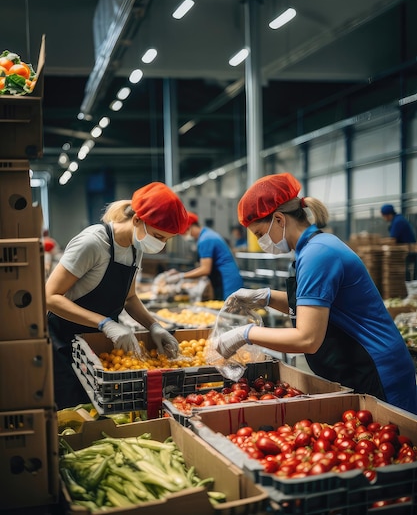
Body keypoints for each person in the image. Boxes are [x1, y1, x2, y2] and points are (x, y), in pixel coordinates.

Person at [213, 172, 417, 414]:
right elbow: (312, 307)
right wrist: (264, 297)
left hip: (378, 369)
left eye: (259, 234)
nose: (261, 241)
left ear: (279, 219)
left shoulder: (318, 254)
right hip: (360, 362)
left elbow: (307, 339)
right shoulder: (312, 248)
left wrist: (245, 334)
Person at [45, 182, 189, 410]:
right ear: (137, 220)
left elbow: (129, 298)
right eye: (159, 236)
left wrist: (154, 326)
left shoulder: (135, 247)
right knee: (74, 410)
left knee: (105, 408)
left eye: (166, 240)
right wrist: (104, 323)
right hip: (65, 342)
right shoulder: (93, 243)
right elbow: (50, 296)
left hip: (100, 342)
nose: (161, 245)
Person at [165, 212, 244, 300]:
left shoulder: (205, 239)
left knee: (228, 310)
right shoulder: (207, 234)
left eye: (184, 232)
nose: (185, 236)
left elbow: (205, 269)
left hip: (226, 281)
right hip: (225, 278)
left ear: (191, 227)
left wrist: (180, 276)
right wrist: (179, 272)